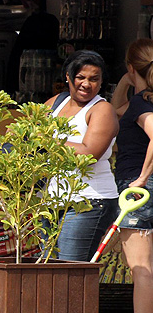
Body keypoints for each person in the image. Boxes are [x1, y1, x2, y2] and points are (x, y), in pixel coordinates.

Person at [45, 50, 118, 262]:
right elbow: (24, 131)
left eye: (94, 79)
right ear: (67, 76)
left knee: (69, 271)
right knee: (46, 267)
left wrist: (48, 141)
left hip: (88, 201)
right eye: (80, 77)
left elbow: (88, 153)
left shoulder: (102, 109)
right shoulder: (55, 103)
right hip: (51, 202)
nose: (87, 84)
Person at [110, 38, 153, 313]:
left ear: (130, 66)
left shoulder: (143, 104)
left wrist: (140, 177)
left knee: (141, 270)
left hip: (139, 191)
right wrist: (126, 81)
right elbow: (114, 112)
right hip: (143, 188)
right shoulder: (140, 101)